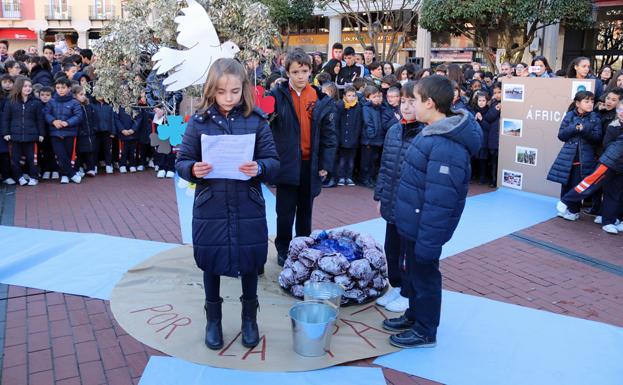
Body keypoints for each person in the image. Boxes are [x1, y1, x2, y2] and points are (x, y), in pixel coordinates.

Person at [175, 58, 279, 350]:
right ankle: (213, 319)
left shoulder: (256, 120)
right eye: (222, 92)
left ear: (243, 89)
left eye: (234, 91)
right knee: (211, 260)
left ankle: (249, 318)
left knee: (249, 260)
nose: (229, 98)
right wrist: (193, 169)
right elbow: (182, 161)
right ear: (211, 90)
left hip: (247, 204)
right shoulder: (199, 122)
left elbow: (273, 163)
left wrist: (259, 168)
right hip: (211, 205)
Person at [386, 75, 481, 348]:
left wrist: (429, 241)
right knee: (413, 274)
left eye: (414, 100)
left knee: (425, 277)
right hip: (413, 224)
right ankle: (414, 315)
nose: (410, 105)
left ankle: (425, 330)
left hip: (424, 229)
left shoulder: (446, 146)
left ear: (429, 103)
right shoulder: (430, 132)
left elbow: (441, 201)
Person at [268, 49, 337, 266]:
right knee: (285, 212)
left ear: (310, 71)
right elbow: (265, 125)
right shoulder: (277, 96)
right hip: (287, 162)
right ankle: (283, 248)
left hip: (310, 163)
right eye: (295, 71)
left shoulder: (319, 97)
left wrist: (325, 164)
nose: (300, 76)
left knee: (305, 211)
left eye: (304, 71)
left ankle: (304, 246)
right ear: (287, 72)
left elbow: (329, 135)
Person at [374, 81, 424, 313]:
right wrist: (380, 196)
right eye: (403, 102)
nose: (406, 107)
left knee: (408, 252)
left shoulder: (425, 133)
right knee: (391, 249)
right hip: (391, 200)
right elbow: (384, 166)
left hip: (411, 206)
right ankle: (396, 285)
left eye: (412, 102)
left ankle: (408, 292)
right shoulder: (394, 130)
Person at [557, 100, 623, 234]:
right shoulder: (614, 126)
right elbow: (607, 144)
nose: (622, 113)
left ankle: (608, 221)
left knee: (614, 194)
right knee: (590, 183)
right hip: (609, 162)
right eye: (620, 110)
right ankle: (566, 201)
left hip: (621, 167)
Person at [547, 91, 602, 220]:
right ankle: (564, 207)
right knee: (565, 183)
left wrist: (584, 130)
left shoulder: (595, 117)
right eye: (586, 101)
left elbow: (597, 138)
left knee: (577, 185)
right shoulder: (570, 115)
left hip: (584, 158)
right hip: (568, 156)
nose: (590, 104)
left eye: (592, 102)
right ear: (578, 103)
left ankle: (574, 211)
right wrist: (574, 128)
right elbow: (561, 135)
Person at [1, 76, 45, 186]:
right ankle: (19, 177)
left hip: (31, 136)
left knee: (32, 159)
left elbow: (40, 119)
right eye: (25, 86)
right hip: (15, 136)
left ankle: (33, 177)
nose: (28, 88)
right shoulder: (11, 102)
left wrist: (41, 133)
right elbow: (6, 119)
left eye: (30, 86)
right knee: (15, 159)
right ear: (19, 87)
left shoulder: (36, 102)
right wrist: (6, 133)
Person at [44, 77, 83, 184]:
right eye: (58, 88)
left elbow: (79, 116)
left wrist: (67, 122)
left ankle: (64, 175)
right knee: (60, 154)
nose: (60, 90)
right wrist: (53, 121)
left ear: (69, 88)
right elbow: (46, 114)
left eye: (63, 87)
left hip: (70, 133)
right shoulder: (51, 101)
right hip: (55, 133)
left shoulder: (74, 102)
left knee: (68, 155)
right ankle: (72, 174)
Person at [335, 85, 362, 186]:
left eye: (353, 95)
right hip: (342, 138)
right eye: (349, 95)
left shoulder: (358, 107)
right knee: (342, 159)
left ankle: (349, 177)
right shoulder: (340, 106)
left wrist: (356, 137)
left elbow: (358, 124)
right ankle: (341, 176)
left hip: (353, 139)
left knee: (351, 160)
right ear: (344, 96)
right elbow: (337, 122)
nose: (351, 98)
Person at [359, 85, 384, 188]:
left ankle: (370, 178)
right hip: (369, 139)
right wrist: (371, 134)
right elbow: (368, 122)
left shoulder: (380, 108)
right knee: (366, 161)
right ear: (367, 98)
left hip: (378, 139)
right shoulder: (366, 108)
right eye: (374, 97)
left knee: (374, 160)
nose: (377, 99)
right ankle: (364, 179)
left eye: (378, 96)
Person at [73, 85, 98, 177]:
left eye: (84, 94)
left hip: (90, 132)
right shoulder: (75, 106)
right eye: (81, 94)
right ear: (75, 95)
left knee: (90, 151)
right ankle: (79, 168)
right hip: (81, 134)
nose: (83, 96)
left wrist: (94, 128)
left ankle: (91, 168)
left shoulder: (88, 106)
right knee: (79, 152)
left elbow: (93, 118)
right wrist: (80, 131)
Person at [469, 90, 491, 184]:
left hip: (484, 138)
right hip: (474, 138)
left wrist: (481, 119)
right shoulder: (472, 110)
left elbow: (488, 127)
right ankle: (472, 175)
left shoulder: (489, 111)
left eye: (483, 100)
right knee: (473, 158)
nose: (481, 103)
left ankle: (482, 177)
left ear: (486, 101)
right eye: (479, 100)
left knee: (482, 159)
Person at [92, 98, 116, 174]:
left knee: (107, 149)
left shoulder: (109, 106)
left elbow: (112, 119)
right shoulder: (92, 105)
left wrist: (113, 131)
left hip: (107, 131)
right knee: (95, 150)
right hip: (96, 132)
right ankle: (94, 166)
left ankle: (108, 165)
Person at [485, 82, 502, 187]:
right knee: (494, 159)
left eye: (499, 92)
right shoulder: (493, 103)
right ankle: (493, 179)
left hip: (506, 136)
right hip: (494, 136)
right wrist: (496, 109)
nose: (497, 94)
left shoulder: (512, 103)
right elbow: (488, 117)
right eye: (495, 92)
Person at [116, 108, 138, 173]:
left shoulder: (135, 104)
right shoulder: (118, 105)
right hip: (122, 132)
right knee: (123, 150)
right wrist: (122, 129)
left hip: (133, 132)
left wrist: (133, 129)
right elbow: (116, 119)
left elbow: (139, 118)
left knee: (132, 149)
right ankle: (122, 165)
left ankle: (132, 165)